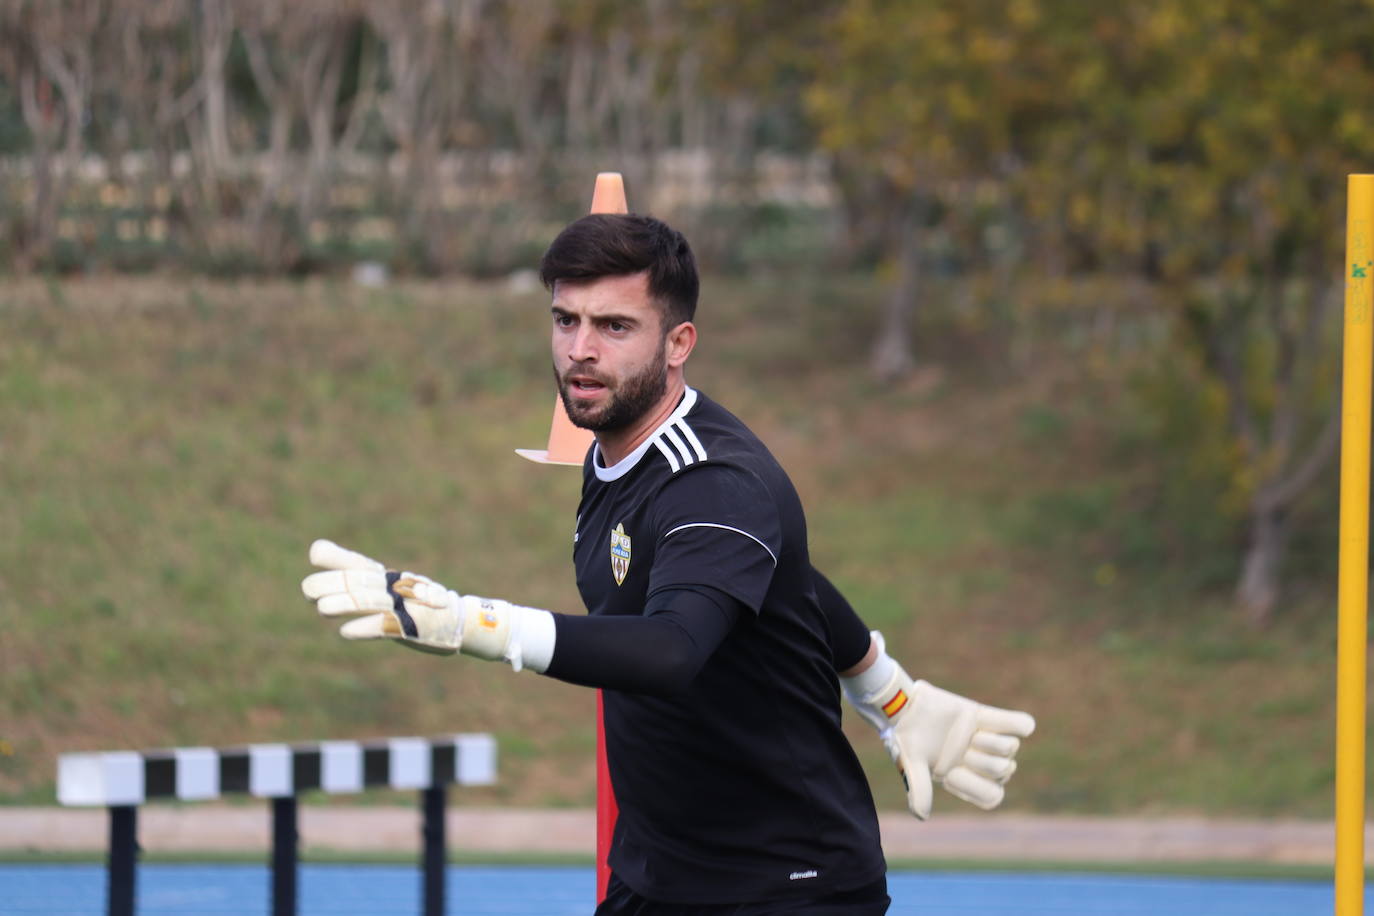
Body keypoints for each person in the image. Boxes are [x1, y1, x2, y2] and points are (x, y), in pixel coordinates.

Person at [302, 213, 1035, 915]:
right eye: (567, 321)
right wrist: (886, 689)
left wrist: (474, 623)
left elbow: (672, 650)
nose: (581, 349)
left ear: (679, 342)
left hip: (789, 884)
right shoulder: (618, 447)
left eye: (614, 326)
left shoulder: (712, 478)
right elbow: (778, 570)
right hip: (662, 874)